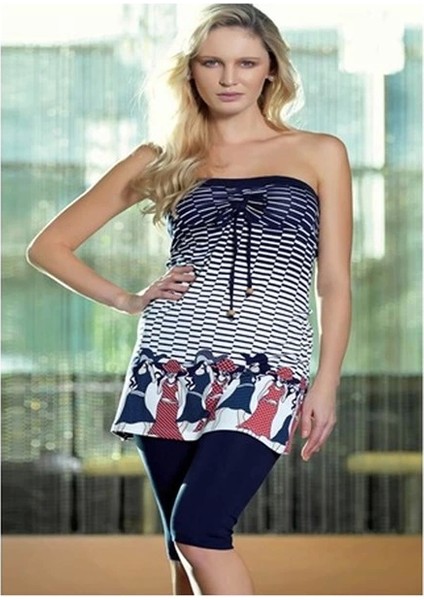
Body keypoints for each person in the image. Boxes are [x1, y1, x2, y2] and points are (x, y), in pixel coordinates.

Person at [26, 3, 353, 595]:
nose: (229, 78)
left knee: (201, 531)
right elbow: (49, 246)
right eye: (212, 63)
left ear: (270, 70)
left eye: (246, 63)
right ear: (191, 71)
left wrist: (325, 382)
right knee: (183, 552)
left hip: (268, 369)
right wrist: (127, 300)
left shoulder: (319, 152)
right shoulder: (161, 157)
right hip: (168, 367)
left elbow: (333, 281)